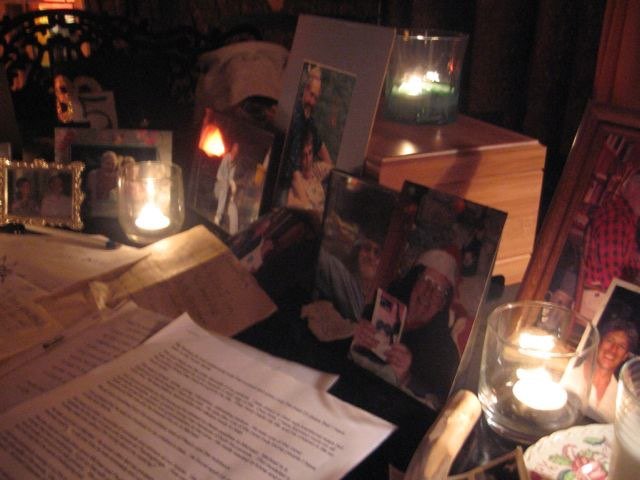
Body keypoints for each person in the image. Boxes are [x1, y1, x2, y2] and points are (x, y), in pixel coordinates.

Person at [351, 248, 460, 409]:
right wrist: (351, 333)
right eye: (426, 280)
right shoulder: (376, 309)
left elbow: (441, 405)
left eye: (439, 289)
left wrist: (407, 378)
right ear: (413, 282)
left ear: (443, 304)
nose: (428, 293)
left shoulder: (446, 353)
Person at [580, 170, 640, 319]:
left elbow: (630, 258)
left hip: (600, 294)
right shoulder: (618, 219)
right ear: (634, 189)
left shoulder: (626, 218)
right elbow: (610, 277)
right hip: (596, 298)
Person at [567, 318, 638, 422]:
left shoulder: (620, 398)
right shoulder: (568, 373)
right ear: (599, 342)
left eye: (621, 346)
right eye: (610, 340)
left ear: (625, 356)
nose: (613, 349)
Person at [282, 65, 332, 195]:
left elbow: (320, 146)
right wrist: (305, 199)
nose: (312, 102)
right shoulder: (295, 116)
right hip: (287, 182)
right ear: (305, 89)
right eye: (311, 95)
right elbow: (293, 169)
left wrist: (329, 172)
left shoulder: (309, 119)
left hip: (303, 177)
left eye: (316, 98)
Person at [314, 232, 382, 323]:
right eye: (367, 248)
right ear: (358, 253)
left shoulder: (381, 304)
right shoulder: (343, 280)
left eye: (377, 253)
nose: (371, 256)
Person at [286, 126, 332, 213]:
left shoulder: (317, 169)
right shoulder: (295, 181)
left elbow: (334, 172)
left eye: (310, 152)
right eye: (304, 155)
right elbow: (288, 201)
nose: (308, 159)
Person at [213, 142, 239, 234]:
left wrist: (232, 184)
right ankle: (218, 216)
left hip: (225, 192)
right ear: (232, 149)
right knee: (224, 186)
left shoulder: (234, 164)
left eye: (237, 150)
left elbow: (230, 178)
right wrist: (227, 182)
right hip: (218, 188)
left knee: (232, 205)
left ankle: (232, 233)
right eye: (234, 148)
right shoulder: (226, 158)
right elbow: (219, 175)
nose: (235, 151)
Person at [86, 150, 121, 217]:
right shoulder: (93, 175)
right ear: (102, 163)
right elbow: (92, 195)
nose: (111, 166)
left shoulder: (119, 176)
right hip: (97, 208)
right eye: (108, 163)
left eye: (113, 164)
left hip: (114, 209)